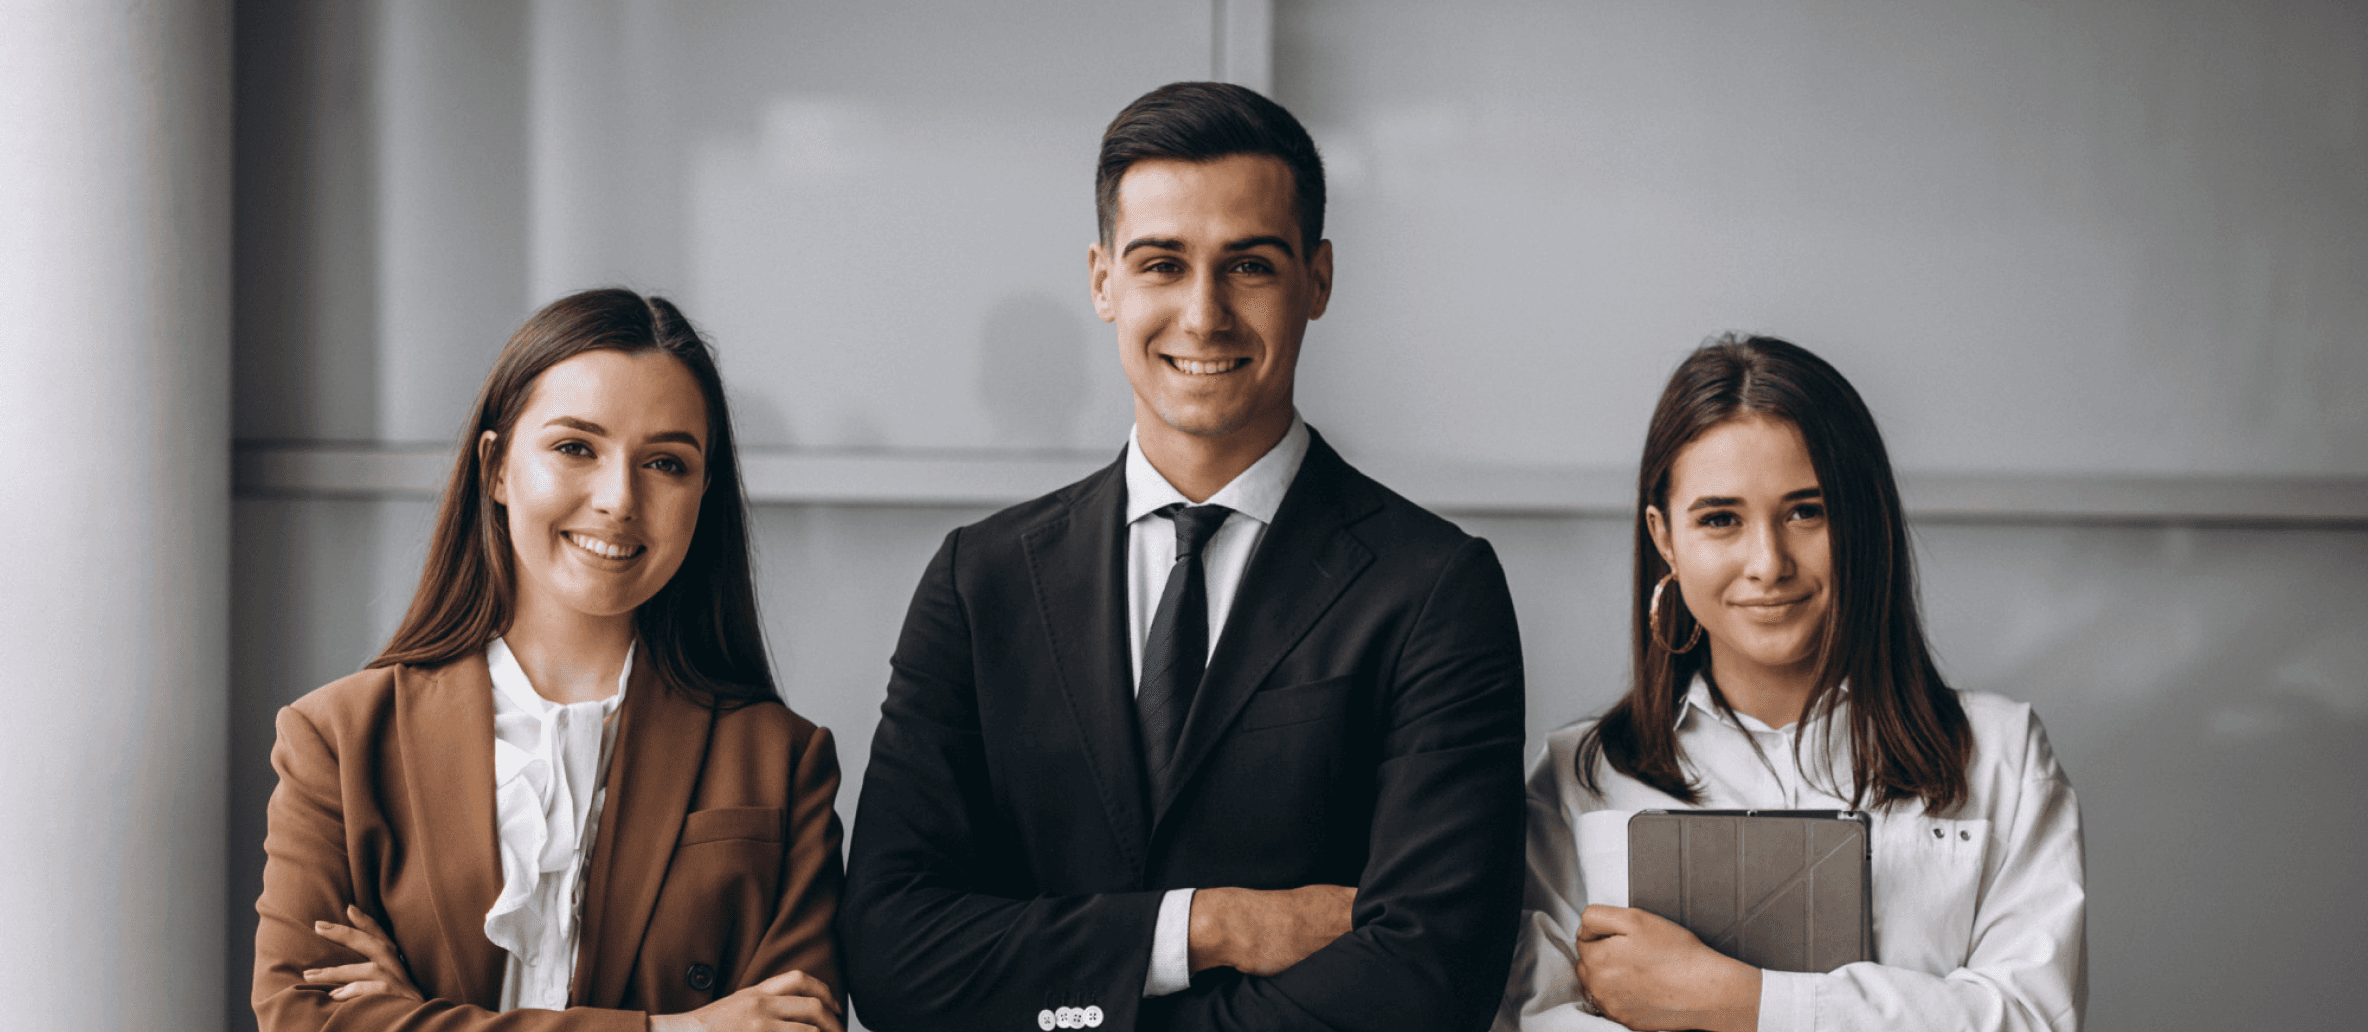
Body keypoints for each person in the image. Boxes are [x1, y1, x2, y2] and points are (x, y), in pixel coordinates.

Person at [839, 82, 1528, 1032]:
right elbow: (892, 952)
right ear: (1102, 281)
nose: (1204, 315)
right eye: (1163, 264)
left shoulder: (1435, 589)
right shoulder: (980, 581)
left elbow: (1428, 977)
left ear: (1317, 280)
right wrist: (1206, 926)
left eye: (1249, 266)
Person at [252, 288, 846, 1032]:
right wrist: (678, 1030)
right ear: (496, 467)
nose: (618, 498)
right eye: (575, 448)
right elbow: (303, 1022)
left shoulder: (780, 760)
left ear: (704, 494)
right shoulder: (338, 740)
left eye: (666, 463)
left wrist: (412, 1017)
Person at [1498, 335, 2086, 1032]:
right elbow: (1535, 1022)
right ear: (1664, 539)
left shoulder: (2002, 754)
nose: (1768, 561)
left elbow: (2033, 1021)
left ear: (1862, 520)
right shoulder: (1579, 777)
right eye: (1720, 519)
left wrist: (1742, 1001)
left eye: (1807, 511)